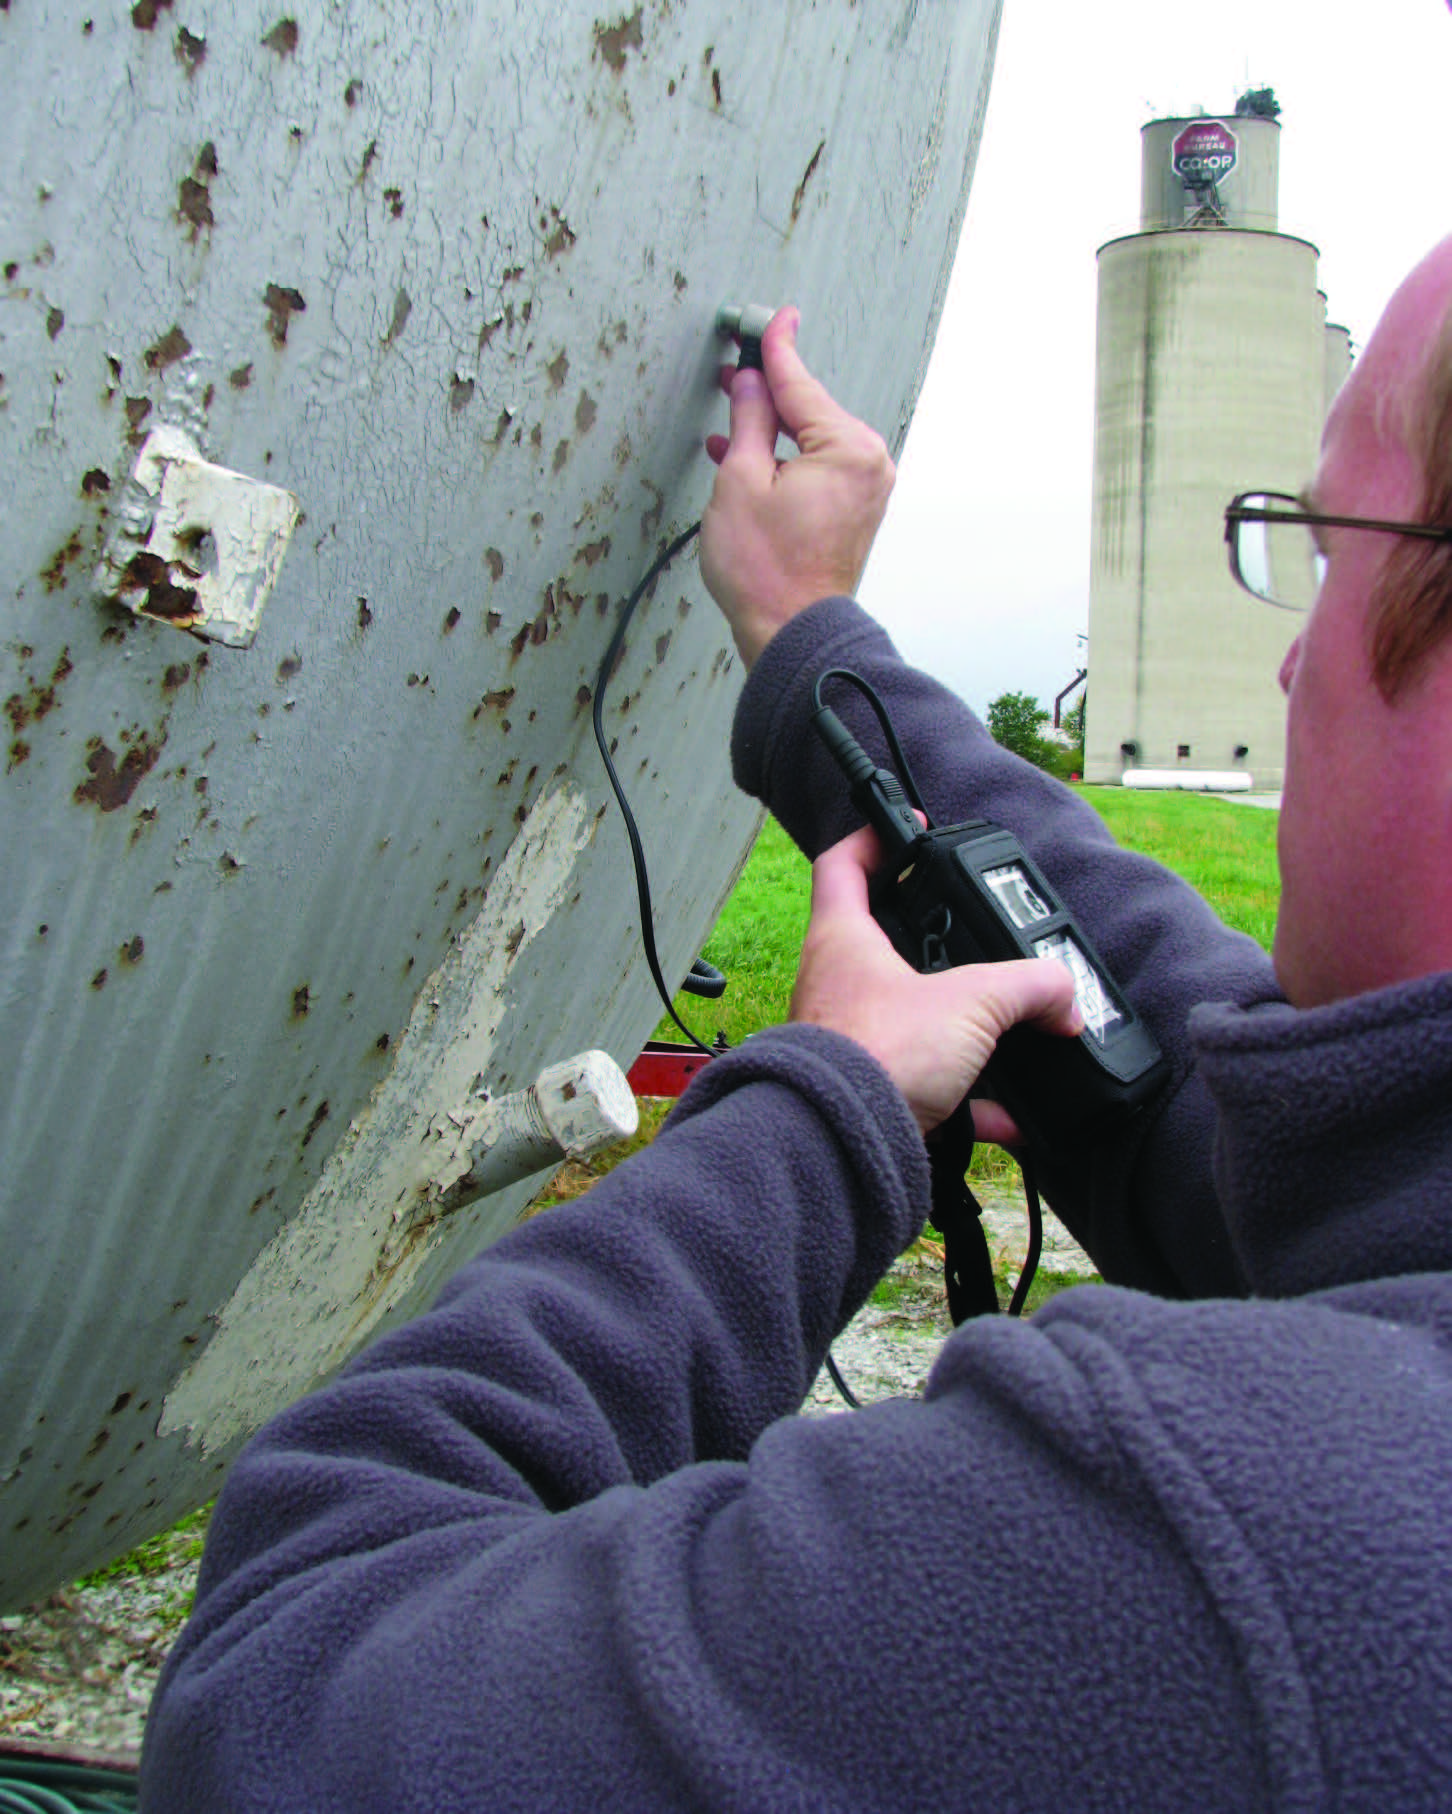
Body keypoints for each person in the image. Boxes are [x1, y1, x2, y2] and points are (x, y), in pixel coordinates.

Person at [140, 239, 1452, 1810]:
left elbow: (286, 1695)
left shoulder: (1263, 1550)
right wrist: (808, 630)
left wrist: (817, 1109)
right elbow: (1195, 1090)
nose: (1298, 651)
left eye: (1318, 545)